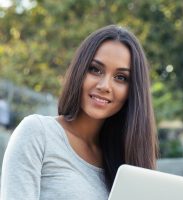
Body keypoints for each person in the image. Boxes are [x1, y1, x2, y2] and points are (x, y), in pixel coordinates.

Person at [1, 25, 158, 200]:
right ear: (79, 71)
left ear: (133, 91)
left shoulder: (127, 160)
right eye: (95, 69)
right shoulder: (38, 133)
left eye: (120, 78)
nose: (104, 86)